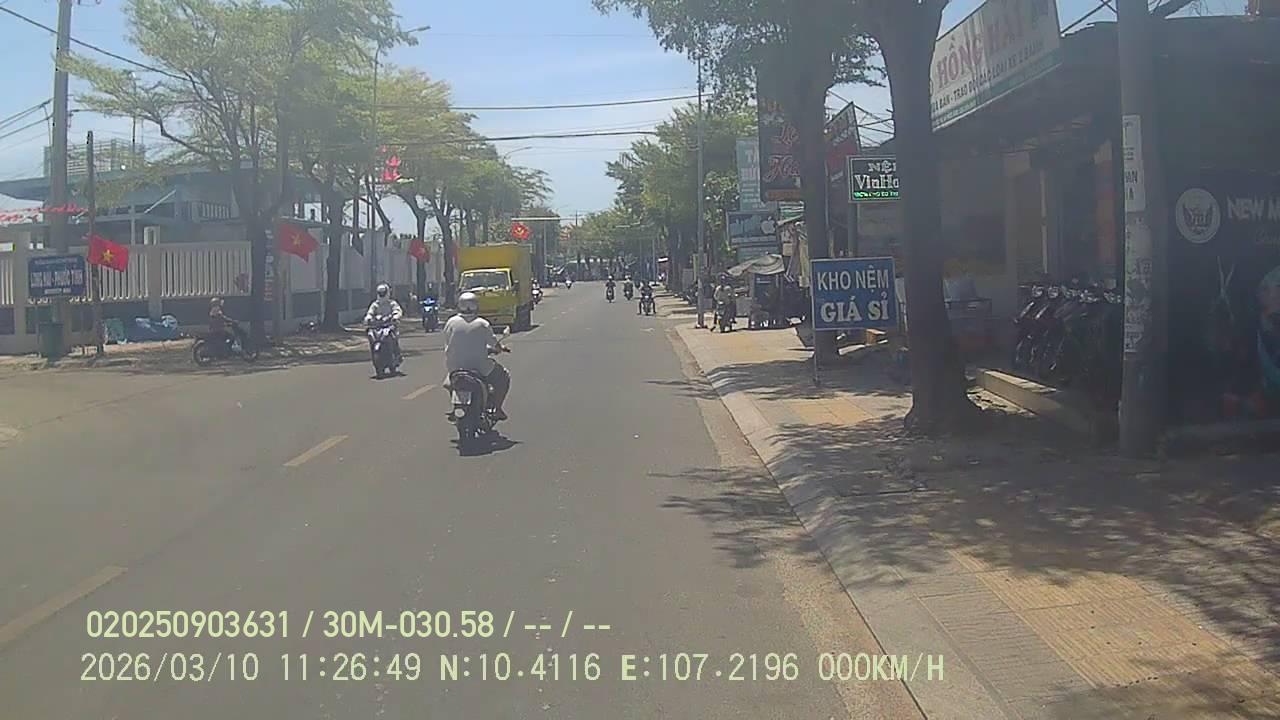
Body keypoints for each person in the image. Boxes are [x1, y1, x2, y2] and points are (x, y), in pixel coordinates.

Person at [443, 292, 511, 420]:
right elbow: (494, 344)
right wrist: (500, 348)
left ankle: (456, 407)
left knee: (450, 383)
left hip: (455, 367)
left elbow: (448, 342)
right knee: (504, 377)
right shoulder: (482, 323)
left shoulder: (451, 322)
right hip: (480, 367)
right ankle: (497, 409)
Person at [364, 283, 404, 360]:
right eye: (380, 293)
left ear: (387, 292)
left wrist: (395, 317)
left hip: (389, 325)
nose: (382, 295)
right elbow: (370, 312)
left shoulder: (392, 303)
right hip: (377, 326)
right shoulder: (375, 304)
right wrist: (368, 318)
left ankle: (397, 354)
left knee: (393, 336)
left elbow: (397, 310)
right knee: (370, 334)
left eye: (383, 293)